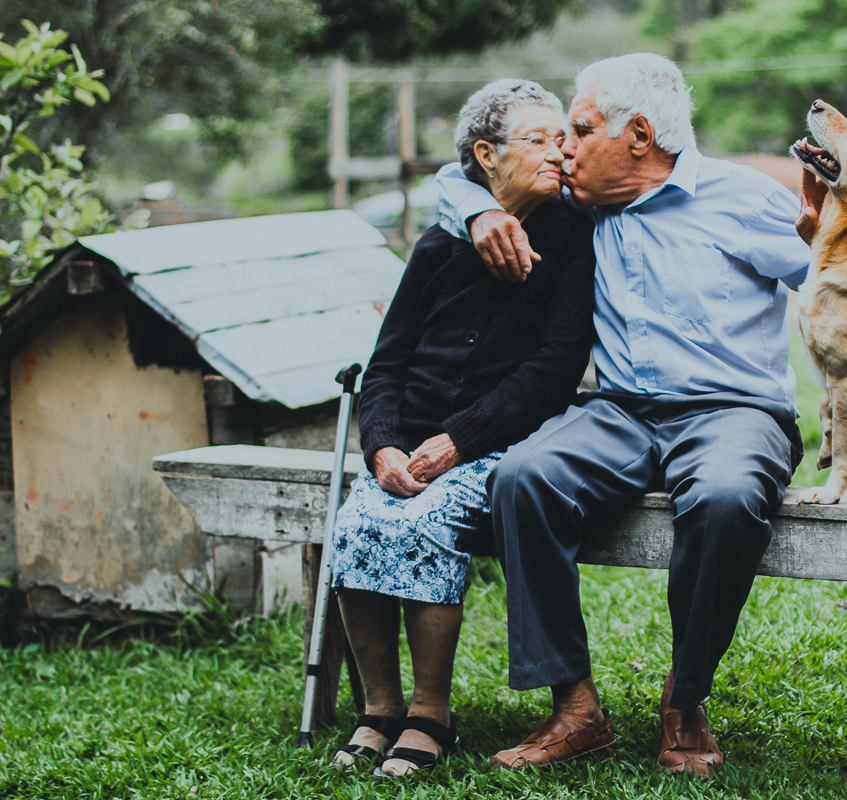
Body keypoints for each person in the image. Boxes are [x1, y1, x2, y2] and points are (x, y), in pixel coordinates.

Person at [436, 53, 812, 776]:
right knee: (523, 477)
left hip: (734, 410)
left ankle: (686, 697)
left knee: (729, 497)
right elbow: (451, 181)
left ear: (638, 135)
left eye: (578, 129)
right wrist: (482, 209)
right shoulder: (578, 203)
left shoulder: (744, 197)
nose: (564, 149)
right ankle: (575, 708)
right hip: (620, 411)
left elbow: (839, 276)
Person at [329, 78, 596, 777]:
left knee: (425, 521)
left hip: (496, 444)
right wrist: (383, 446)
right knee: (358, 521)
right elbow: (385, 364)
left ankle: (430, 714)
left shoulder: (570, 236)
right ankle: (378, 711)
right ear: (486, 155)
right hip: (409, 442)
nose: (557, 152)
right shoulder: (440, 243)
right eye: (537, 140)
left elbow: (554, 367)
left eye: (559, 138)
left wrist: (459, 441)